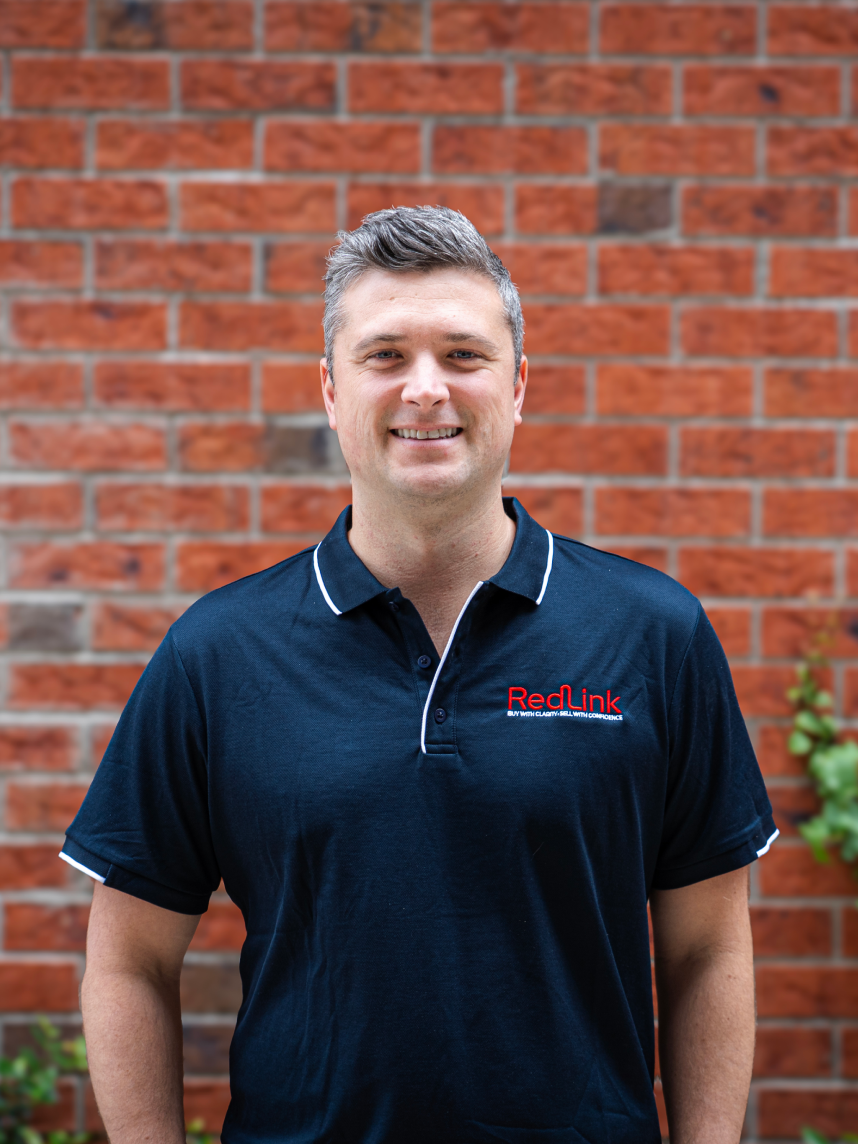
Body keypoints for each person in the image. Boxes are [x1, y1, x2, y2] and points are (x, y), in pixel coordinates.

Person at [63, 206, 777, 1144]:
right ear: (330, 390)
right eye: (386, 356)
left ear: (518, 387)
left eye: (464, 356)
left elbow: (707, 950)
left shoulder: (652, 635)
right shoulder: (218, 652)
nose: (426, 390)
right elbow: (128, 963)